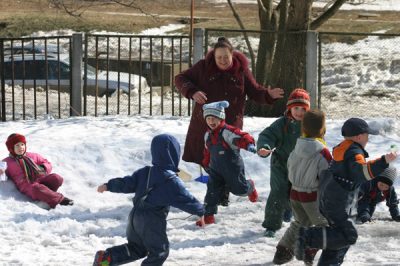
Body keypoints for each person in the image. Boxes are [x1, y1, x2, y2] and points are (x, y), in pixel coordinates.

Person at [175, 37, 284, 206]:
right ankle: (219, 198)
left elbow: (255, 91)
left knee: (227, 163)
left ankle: (226, 194)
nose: (223, 61)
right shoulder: (203, 67)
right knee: (208, 162)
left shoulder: (241, 71)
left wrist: (269, 95)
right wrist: (192, 91)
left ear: (232, 55)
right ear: (214, 56)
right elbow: (180, 78)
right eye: (219, 57)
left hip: (230, 127)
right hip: (205, 125)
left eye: (226, 57)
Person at [295, 118, 398, 265]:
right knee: (347, 235)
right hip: (337, 201)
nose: (367, 140)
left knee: (341, 239)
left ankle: (329, 262)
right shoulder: (353, 151)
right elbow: (361, 171)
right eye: (367, 137)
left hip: (332, 199)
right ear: (359, 137)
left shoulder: (343, 148)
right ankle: (308, 237)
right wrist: (384, 161)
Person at [93, 134, 205, 266]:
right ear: (174, 154)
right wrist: (202, 211)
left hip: (134, 218)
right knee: (159, 251)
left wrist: (109, 185)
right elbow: (186, 199)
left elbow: (127, 182)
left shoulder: (145, 172)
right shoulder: (171, 180)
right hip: (152, 222)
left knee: (137, 249)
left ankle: (107, 258)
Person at [272, 110, 331, 265]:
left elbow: (290, 166)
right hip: (312, 196)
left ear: (303, 129)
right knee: (324, 224)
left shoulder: (296, 148)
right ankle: (308, 249)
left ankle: (283, 251)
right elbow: (327, 176)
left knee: (299, 222)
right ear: (322, 130)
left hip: (295, 193)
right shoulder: (322, 152)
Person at [256, 88, 310, 237]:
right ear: (290, 109)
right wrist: (264, 147)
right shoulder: (282, 124)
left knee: (296, 192)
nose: (299, 112)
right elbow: (267, 135)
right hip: (281, 163)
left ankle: (289, 209)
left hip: (301, 166)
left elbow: (319, 142)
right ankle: (272, 225)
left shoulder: (310, 125)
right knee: (278, 191)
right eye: (296, 108)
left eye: (303, 109)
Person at [195, 100, 258, 226]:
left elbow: (241, 137)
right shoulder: (207, 135)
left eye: (214, 118)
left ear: (221, 118)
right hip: (215, 170)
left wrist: (249, 144)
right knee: (211, 191)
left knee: (239, 190)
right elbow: (208, 151)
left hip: (232, 167)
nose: (211, 122)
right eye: (208, 119)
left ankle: (250, 186)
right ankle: (208, 215)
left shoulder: (227, 132)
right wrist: (206, 163)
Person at [0, 133, 73, 209]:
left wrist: (43, 167)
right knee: (37, 189)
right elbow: (2, 176)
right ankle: (60, 200)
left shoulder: (33, 155)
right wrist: (1, 172)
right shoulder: (7, 162)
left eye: (22, 144)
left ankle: (47, 195)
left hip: (41, 178)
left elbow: (47, 163)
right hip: (27, 185)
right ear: (11, 148)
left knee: (57, 178)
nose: (20, 147)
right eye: (17, 145)